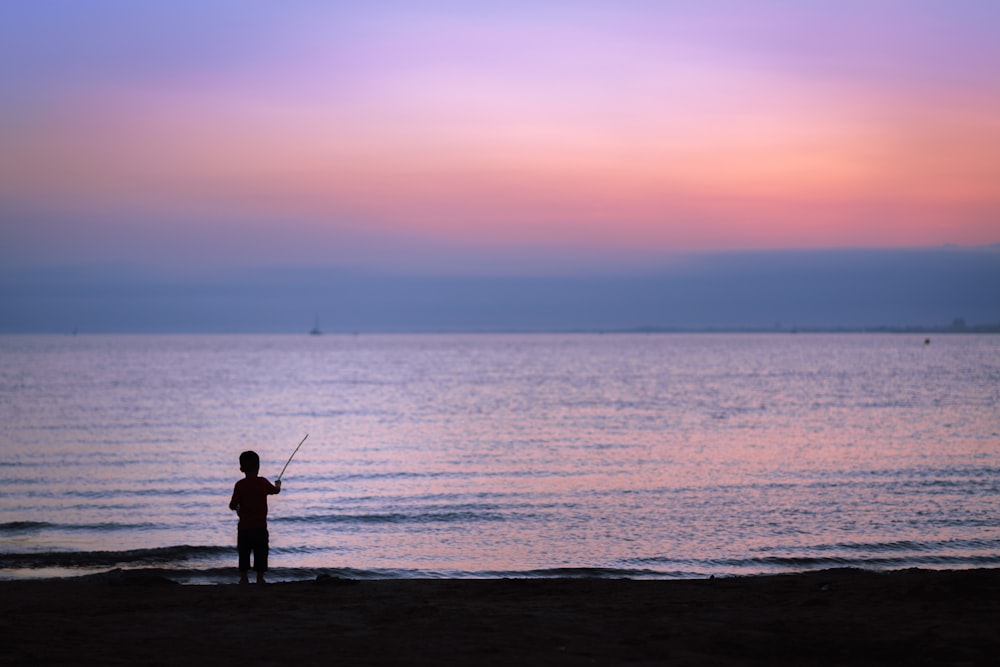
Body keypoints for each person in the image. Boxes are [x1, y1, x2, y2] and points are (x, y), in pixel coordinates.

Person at [229, 450, 281, 584]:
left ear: (241, 469)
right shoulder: (263, 482)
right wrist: (278, 485)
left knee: (244, 553)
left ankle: (244, 577)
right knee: (261, 553)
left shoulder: (239, 485)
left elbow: (232, 505)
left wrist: (238, 508)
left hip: (244, 528)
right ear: (259, 467)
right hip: (260, 528)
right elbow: (275, 491)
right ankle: (259, 578)